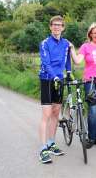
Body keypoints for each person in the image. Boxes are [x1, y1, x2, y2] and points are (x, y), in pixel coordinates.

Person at [38, 15, 71, 163]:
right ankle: (43, 148)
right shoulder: (45, 43)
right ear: (50, 27)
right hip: (47, 79)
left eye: (60, 25)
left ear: (63, 27)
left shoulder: (66, 44)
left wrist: (68, 73)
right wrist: (54, 76)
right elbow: (46, 63)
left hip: (60, 79)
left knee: (56, 112)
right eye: (54, 25)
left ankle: (51, 143)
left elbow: (67, 59)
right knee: (47, 113)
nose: (57, 27)